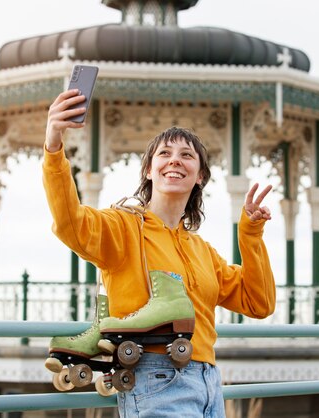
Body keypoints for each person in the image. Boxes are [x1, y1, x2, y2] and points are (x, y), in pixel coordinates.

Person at [43, 88, 276, 417]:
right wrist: (54, 145)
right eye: (164, 154)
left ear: (200, 177)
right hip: (155, 379)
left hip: (209, 382)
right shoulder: (123, 226)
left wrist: (250, 233)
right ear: (149, 171)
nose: (175, 160)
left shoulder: (201, 250)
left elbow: (259, 301)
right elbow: (70, 223)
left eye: (187, 155)